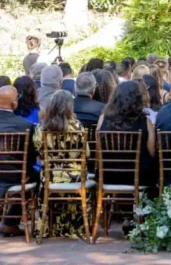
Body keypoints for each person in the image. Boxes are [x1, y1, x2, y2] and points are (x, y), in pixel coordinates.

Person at [33, 90, 89, 237]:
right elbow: (87, 153)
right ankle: (76, 228)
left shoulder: (41, 128)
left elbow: (38, 153)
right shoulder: (78, 127)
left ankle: (49, 227)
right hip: (75, 177)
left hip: (50, 176)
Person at [97, 81, 158, 192]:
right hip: (138, 176)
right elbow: (152, 152)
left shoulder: (103, 119)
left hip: (108, 174)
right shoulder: (146, 122)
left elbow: (98, 147)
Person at [0, 86, 38, 237]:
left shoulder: (24, 125)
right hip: (15, 176)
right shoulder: (25, 126)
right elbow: (31, 158)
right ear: (13, 103)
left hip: (13, 175)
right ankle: (11, 223)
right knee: (38, 176)